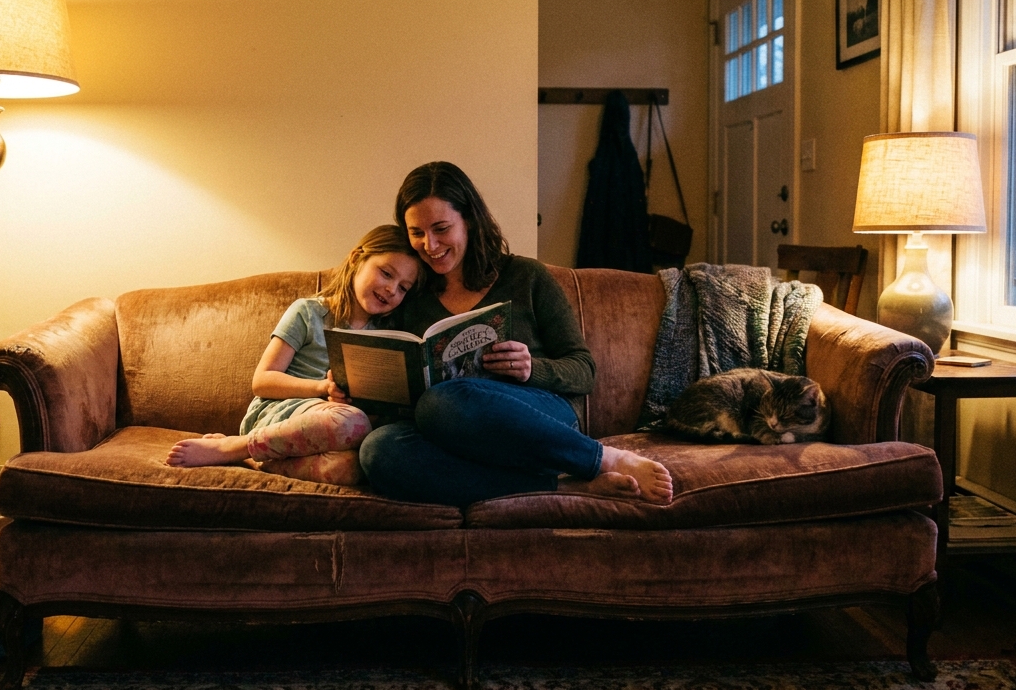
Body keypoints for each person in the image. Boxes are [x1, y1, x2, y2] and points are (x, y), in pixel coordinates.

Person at [358, 161, 675, 507]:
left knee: (441, 402)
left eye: (441, 228)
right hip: (450, 432)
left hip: (535, 418)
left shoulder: (526, 276)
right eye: (416, 233)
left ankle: (602, 459)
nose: (429, 244)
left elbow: (584, 371)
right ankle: (562, 488)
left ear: (469, 220)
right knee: (379, 450)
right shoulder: (410, 295)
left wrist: (531, 369)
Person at [167, 225, 423, 485]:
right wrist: (322, 387)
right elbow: (262, 381)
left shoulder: (389, 335)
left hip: (331, 432)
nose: (392, 289)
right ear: (357, 259)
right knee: (350, 422)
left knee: (353, 468)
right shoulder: (308, 312)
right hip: (279, 414)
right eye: (386, 273)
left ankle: (252, 459)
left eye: (403, 288)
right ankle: (236, 447)